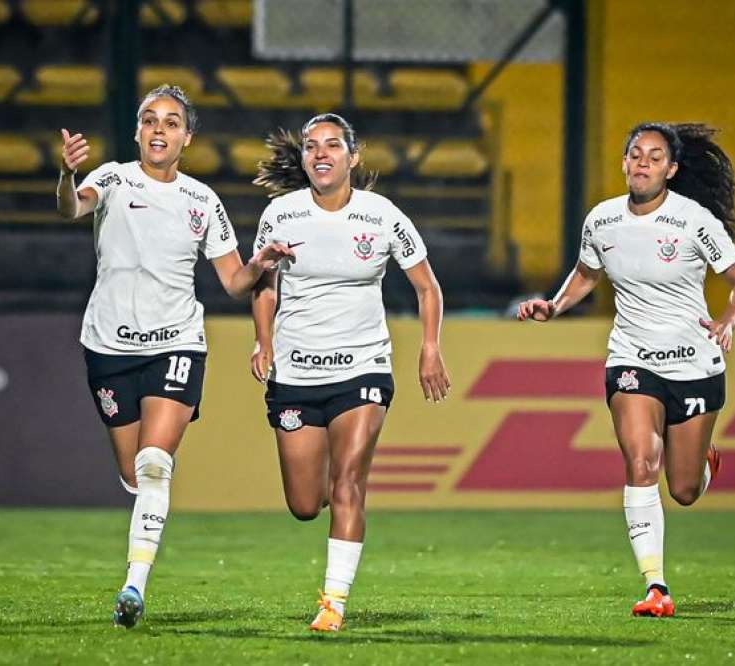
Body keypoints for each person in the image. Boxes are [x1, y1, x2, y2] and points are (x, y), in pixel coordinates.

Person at [56, 85, 293, 629]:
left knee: (154, 462)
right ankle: (145, 522)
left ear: (187, 137)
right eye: (149, 120)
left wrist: (261, 262)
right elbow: (73, 207)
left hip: (177, 343)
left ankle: (134, 586)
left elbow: (235, 281)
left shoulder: (201, 200)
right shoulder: (112, 178)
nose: (158, 130)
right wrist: (68, 175)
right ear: (137, 130)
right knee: (134, 475)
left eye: (170, 122)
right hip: (108, 347)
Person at [518, 122, 735, 618]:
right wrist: (556, 306)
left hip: (694, 363)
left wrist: (729, 321)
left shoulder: (694, 221)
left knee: (684, 490)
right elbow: (587, 272)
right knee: (641, 462)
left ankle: (702, 459)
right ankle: (656, 587)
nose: (642, 163)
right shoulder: (602, 221)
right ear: (624, 162)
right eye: (635, 154)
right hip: (632, 359)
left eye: (654, 156)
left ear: (671, 169)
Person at [250, 113, 451, 632]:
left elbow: (427, 287)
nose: (322, 153)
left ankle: (333, 602)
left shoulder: (382, 216)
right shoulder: (280, 214)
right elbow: (265, 285)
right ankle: (327, 513)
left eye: (333, 145)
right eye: (313, 146)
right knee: (303, 503)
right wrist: (263, 339)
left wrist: (430, 348)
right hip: (295, 372)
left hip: (363, 368)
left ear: (353, 158)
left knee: (348, 483)